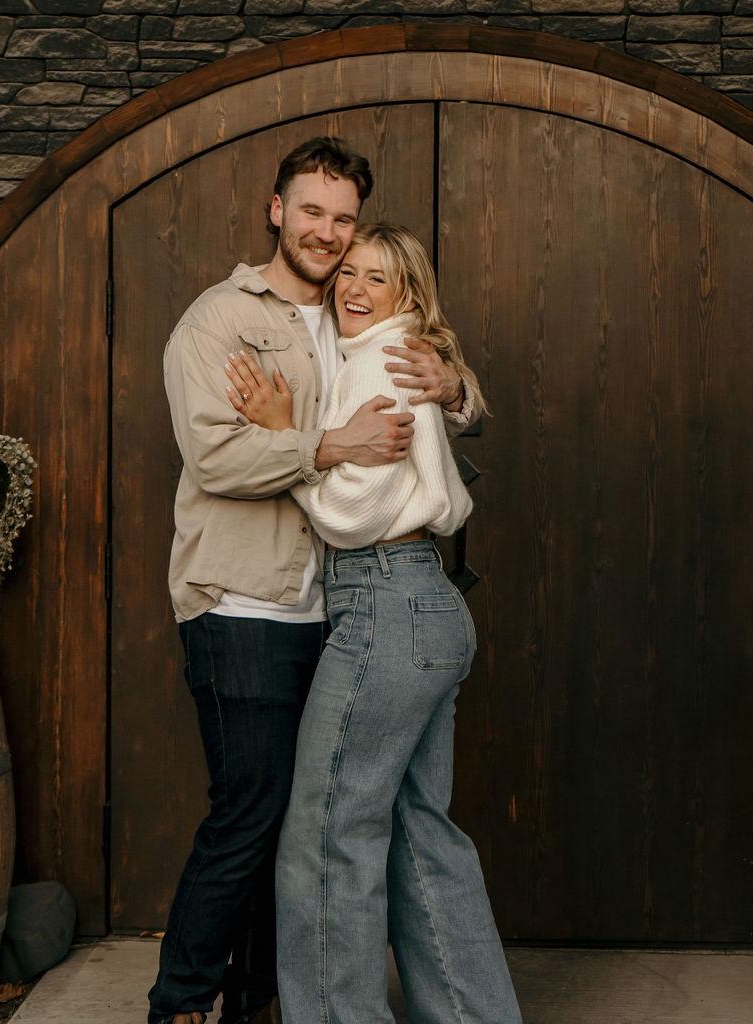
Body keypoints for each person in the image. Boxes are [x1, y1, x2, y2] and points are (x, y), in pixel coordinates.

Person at [152, 139, 476, 1024]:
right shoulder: (218, 320)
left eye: (342, 218)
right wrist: (329, 444)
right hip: (243, 603)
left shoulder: (350, 312)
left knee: (305, 820)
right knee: (253, 814)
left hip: (335, 612)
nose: (327, 234)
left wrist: (454, 386)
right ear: (276, 210)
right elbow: (216, 458)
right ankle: (180, 1002)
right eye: (311, 212)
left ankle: (260, 1000)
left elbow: (421, 390)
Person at [228, 223, 522, 1024]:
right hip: (424, 604)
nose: (354, 288)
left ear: (408, 295)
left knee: (328, 831)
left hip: (384, 601)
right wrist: (457, 385)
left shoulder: (380, 362)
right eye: (349, 272)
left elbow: (351, 514)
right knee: (420, 834)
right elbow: (444, 411)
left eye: (377, 278)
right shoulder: (387, 350)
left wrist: (289, 439)